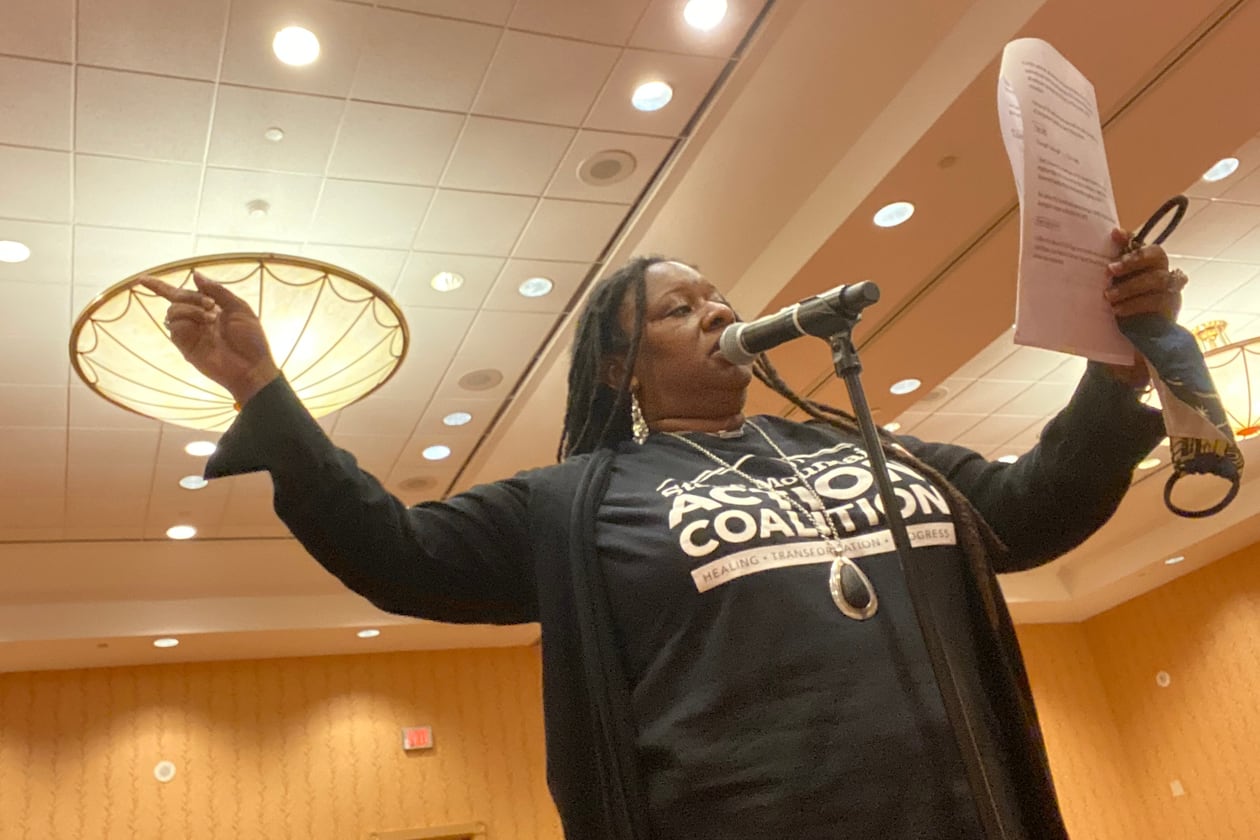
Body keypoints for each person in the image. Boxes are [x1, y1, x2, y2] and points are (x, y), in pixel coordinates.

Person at [144, 226, 1178, 840]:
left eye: (719, 297)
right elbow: (398, 554)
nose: (718, 311)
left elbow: (1034, 507)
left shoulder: (869, 445)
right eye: (680, 311)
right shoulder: (578, 501)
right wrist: (263, 390)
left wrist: (1117, 363)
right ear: (616, 370)